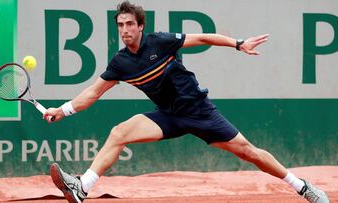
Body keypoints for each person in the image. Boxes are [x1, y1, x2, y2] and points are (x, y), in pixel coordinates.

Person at [44, 1, 330, 203]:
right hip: (167, 115)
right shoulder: (121, 62)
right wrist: (63, 110)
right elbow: (93, 92)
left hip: (198, 111)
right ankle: (83, 187)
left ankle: (303, 187)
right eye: (120, 25)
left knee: (249, 152)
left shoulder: (161, 42)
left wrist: (238, 43)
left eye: (130, 24)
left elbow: (204, 37)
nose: (125, 29)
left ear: (141, 26)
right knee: (119, 133)